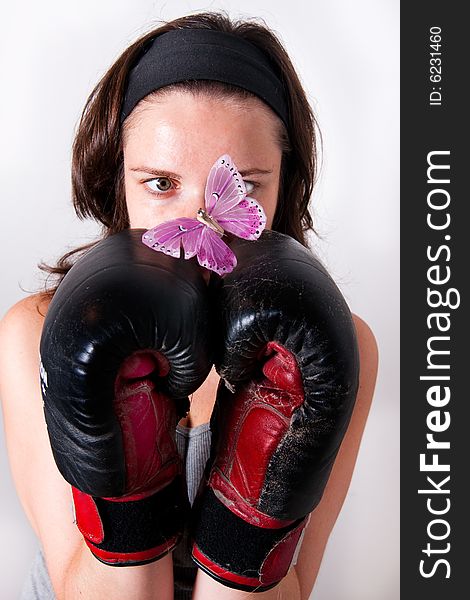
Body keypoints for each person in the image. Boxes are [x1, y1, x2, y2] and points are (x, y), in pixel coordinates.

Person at [0, 10, 378, 600]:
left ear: (288, 183)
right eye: (159, 183)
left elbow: (283, 589)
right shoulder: (39, 331)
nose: (197, 219)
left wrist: (251, 519)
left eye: (243, 184)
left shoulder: (328, 347)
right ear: (115, 178)